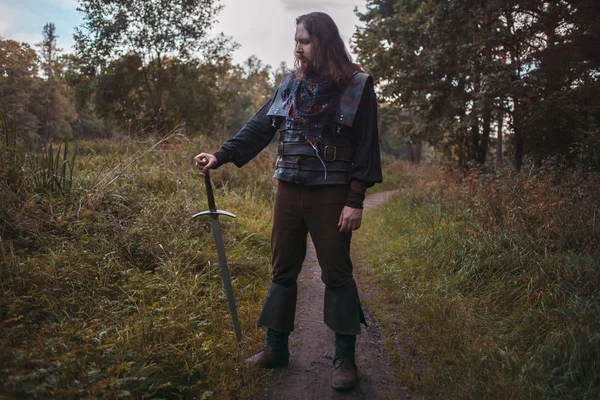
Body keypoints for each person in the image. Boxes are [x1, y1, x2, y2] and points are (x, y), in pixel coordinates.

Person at [194, 11, 382, 390]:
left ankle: (344, 358)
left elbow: (366, 145)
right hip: (288, 188)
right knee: (282, 269)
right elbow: (261, 125)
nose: (297, 47)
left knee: (336, 273)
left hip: (331, 193)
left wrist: (355, 199)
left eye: (304, 41)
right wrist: (222, 154)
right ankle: (275, 346)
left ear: (324, 42)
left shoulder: (357, 86)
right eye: (296, 40)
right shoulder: (290, 85)